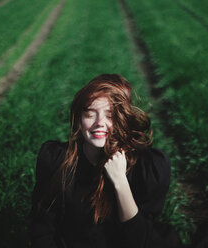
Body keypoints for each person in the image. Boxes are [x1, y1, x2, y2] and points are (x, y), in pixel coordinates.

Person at [29, 74, 181, 248]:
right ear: (79, 119)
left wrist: (120, 182)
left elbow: (139, 240)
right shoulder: (57, 161)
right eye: (90, 114)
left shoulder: (147, 168)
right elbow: (42, 228)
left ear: (123, 119)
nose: (99, 123)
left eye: (110, 115)